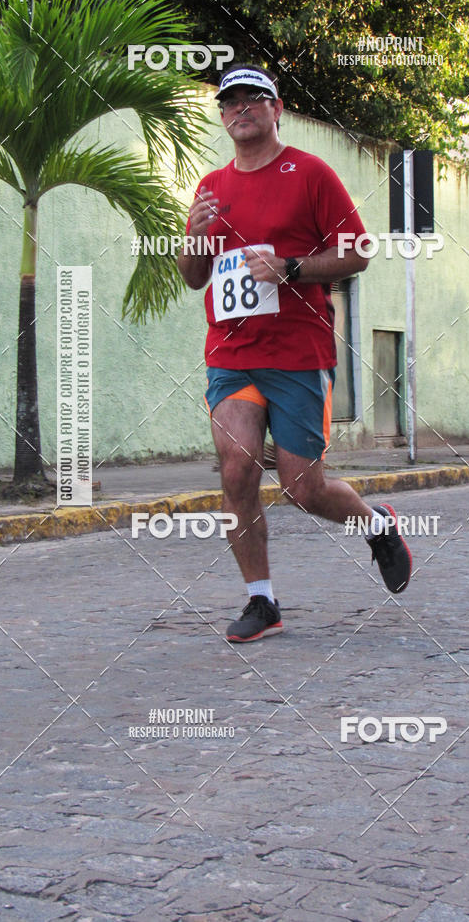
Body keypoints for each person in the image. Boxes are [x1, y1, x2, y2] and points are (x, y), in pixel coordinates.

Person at [178, 62, 412, 642]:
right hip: (231, 352)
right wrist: (192, 238)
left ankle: (375, 524)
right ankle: (262, 601)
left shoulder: (310, 174)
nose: (241, 110)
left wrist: (291, 268)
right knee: (236, 472)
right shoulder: (211, 187)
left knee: (303, 488)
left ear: (276, 108)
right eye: (230, 102)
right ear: (223, 115)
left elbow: (357, 252)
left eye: (253, 100)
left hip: (298, 352)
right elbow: (192, 277)